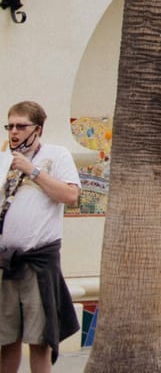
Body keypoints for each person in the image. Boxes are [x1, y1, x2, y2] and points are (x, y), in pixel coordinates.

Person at [0, 101, 80, 373]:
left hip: (39, 263)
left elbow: (70, 196)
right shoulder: (3, 159)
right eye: (10, 126)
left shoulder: (57, 155)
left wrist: (32, 170)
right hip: (7, 263)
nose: (14, 132)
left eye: (21, 126)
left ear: (38, 128)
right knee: (6, 340)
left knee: (39, 340)